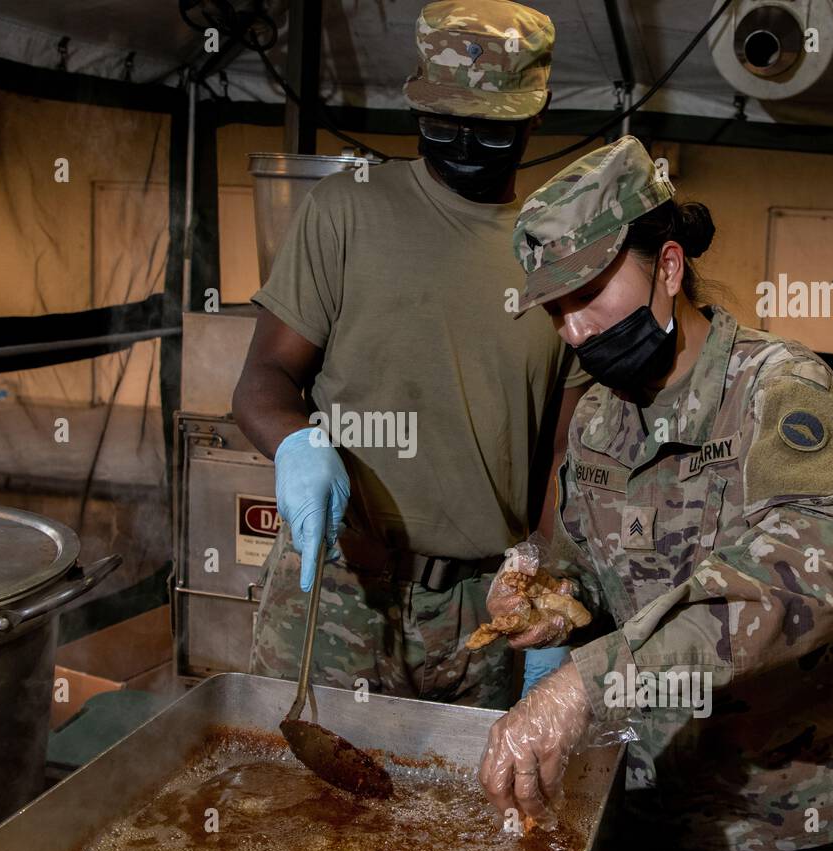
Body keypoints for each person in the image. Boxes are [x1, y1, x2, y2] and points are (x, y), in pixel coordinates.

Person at [477, 134, 833, 851]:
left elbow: (813, 576)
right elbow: (591, 569)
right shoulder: (599, 416)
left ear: (668, 267)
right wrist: (547, 597)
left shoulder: (778, 389)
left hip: (786, 820)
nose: (574, 329)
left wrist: (587, 684)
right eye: (555, 309)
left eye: (587, 295)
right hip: (645, 802)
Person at [232, 1, 587, 709]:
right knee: (294, 807)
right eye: (440, 122)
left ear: (533, 115)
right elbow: (263, 381)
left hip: (480, 612)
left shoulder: (565, 253)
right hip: (336, 592)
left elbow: (565, 448)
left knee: (453, 813)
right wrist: (298, 445)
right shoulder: (346, 210)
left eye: (487, 130)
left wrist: (543, 564)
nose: (459, 144)